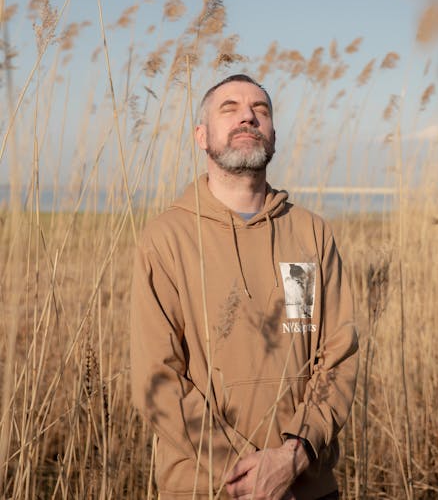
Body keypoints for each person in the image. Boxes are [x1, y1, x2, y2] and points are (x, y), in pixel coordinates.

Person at [131, 73, 358, 500]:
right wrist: (247, 474)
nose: (248, 118)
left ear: (273, 135)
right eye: (229, 109)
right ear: (202, 135)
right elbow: (158, 377)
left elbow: (338, 356)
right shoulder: (166, 238)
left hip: (306, 486)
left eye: (261, 111)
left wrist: (293, 457)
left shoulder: (311, 233)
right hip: (207, 489)